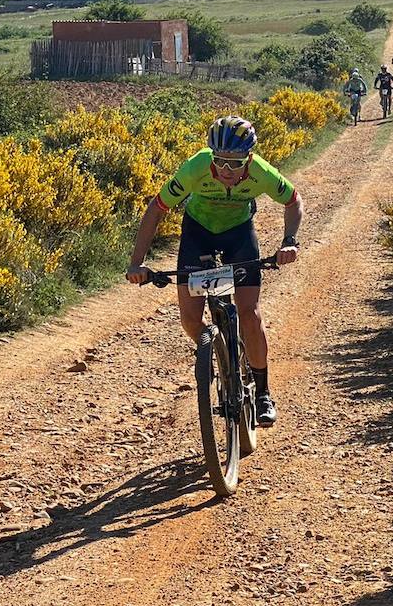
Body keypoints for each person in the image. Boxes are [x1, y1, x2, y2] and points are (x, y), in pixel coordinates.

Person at [126, 116, 303, 427]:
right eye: (220, 161)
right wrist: (137, 263)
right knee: (190, 319)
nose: (226, 170)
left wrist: (289, 241)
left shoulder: (261, 172)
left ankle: (262, 393)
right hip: (198, 233)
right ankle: (214, 350)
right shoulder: (195, 167)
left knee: (251, 315)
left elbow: (293, 200)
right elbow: (156, 209)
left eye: (235, 164)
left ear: (249, 157)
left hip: (239, 234)